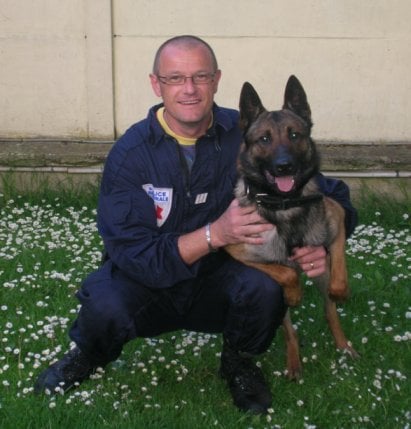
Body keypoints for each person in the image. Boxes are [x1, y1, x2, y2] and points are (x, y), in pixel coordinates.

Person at [34, 35, 357, 414]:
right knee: (104, 302)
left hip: (220, 278)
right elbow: (129, 250)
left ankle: (238, 362)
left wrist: (324, 245)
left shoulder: (248, 134)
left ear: (216, 80)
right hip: (148, 281)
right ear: (156, 84)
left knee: (263, 288)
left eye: (200, 76)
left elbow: (331, 193)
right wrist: (213, 234)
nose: (189, 89)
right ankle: (88, 356)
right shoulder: (130, 155)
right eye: (175, 78)